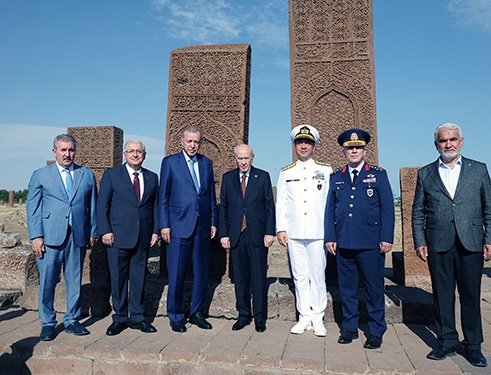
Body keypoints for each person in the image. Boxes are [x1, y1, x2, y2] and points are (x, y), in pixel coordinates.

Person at [412, 123, 490, 368]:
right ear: (436, 144)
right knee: (443, 295)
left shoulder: (478, 170)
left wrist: (489, 239)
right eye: (443, 141)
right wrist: (420, 241)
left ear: (462, 141)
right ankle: (446, 341)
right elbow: (417, 212)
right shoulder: (426, 173)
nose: (449, 144)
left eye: (453, 139)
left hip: (471, 241)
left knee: (470, 296)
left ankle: (473, 345)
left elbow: (489, 207)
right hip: (438, 243)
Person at [324, 128, 394, 349]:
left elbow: (388, 209)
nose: (354, 151)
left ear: (364, 150)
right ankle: (350, 328)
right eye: (350, 148)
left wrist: (386, 237)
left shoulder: (378, 174)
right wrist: (330, 237)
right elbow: (330, 210)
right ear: (344, 151)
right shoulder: (336, 176)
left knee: (374, 288)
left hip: (371, 242)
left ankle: (376, 330)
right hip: (344, 241)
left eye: (358, 147)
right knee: (347, 289)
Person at [26, 134, 98, 341]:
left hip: (77, 235)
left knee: (74, 280)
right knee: (48, 280)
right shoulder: (40, 175)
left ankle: (72, 320)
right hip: (49, 237)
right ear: (54, 151)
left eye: (71, 150)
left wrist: (93, 231)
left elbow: (91, 204)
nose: (67, 154)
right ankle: (48, 322)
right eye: (63, 150)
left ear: (75, 151)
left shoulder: (86, 175)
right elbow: (33, 208)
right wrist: (36, 236)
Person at [97, 140, 159, 336]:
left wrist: (155, 231)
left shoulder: (151, 177)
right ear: (125, 154)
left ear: (144, 155)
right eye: (131, 151)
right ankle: (120, 318)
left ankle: (138, 317)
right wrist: (105, 231)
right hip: (117, 236)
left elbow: (155, 207)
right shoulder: (112, 175)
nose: (135, 154)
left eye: (139, 151)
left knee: (139, 278)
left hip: (143, 237)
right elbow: (102, 206)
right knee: (118, 278)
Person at [159, 126, 218, 333]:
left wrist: (212, 221)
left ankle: (196, 313)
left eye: (196, 142)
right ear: (182, 142)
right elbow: (163, 197)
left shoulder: (206, 163)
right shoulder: (170, 163)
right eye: (189, 141)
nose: (193, 145)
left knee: (201, 272)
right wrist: (164, 224)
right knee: (176, 272)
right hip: (178, 226)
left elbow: (209, 194)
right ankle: (175, 315)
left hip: (201, 226)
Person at [276, 125, 332, 337]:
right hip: (295, 232)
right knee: (299, 276)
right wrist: (281, 228)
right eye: (299, 142)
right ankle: (304, 316)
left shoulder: (326, 170)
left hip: (319, 232)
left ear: (314, 146)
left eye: (307, 142)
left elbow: (330, 203)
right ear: (294, 146)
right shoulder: (286, 172)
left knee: (318, 276)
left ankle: (318, 317)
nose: (303, 146)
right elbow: (281, 203)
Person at [219, 144, 275, 333]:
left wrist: (269, 232)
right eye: (240, 158)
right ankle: (243, 315)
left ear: (252, 158)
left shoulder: (263, 176)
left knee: (258, 277)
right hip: (236, 234)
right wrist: (224, 234)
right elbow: (224, 207)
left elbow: (269, 206)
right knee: (240, 278)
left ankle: (260, 317)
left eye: (246, 158)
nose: (243, 162)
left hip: (257, 234)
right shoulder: (228, 178)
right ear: (235, 159)